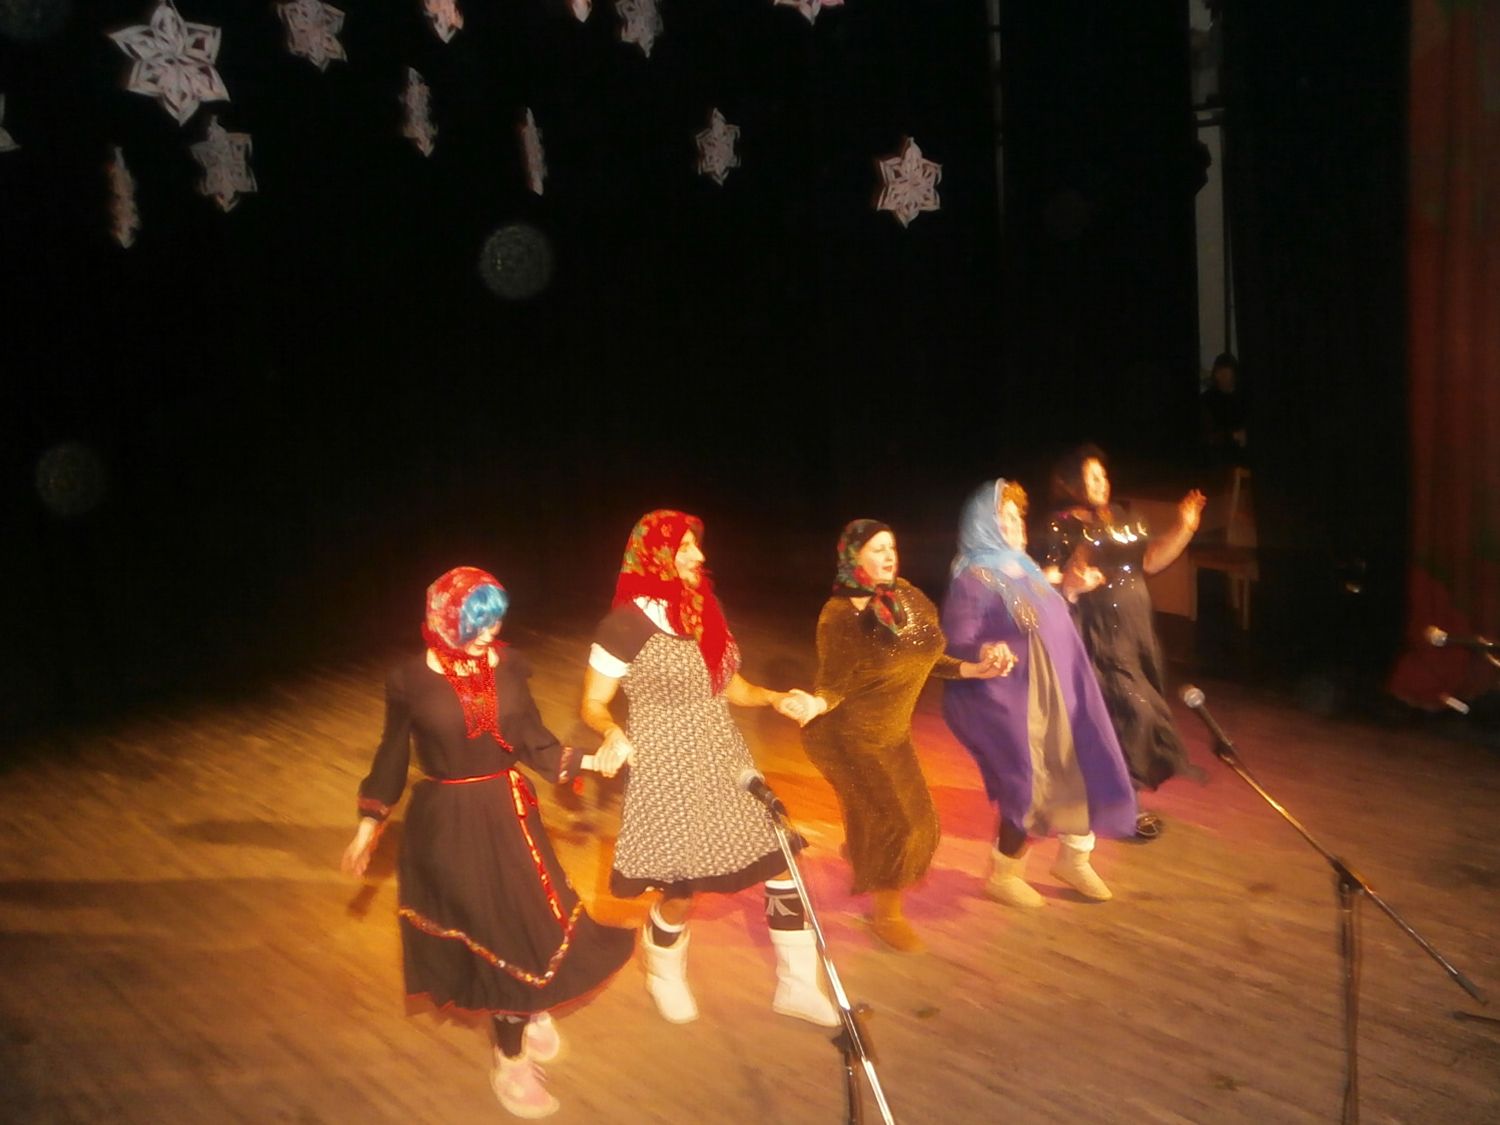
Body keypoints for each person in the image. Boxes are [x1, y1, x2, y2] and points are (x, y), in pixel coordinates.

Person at [342, 567, 634, 1120]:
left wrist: (595, 761)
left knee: (533, 922)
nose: (488, 632)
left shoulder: (509, 665)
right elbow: (392, 754)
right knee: (495, 935)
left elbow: (533, 739)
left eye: (495, 620)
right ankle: (510, 1058)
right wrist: (368, 824)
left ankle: (527, 1003)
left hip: (510, 813)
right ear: (445, 619)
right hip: (449, 825)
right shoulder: (408, 679)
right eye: (476, 622)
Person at [580, 510, 837, 1027]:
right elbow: (592, 702)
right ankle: (662, 968)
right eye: (684, 548)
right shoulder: (624, 625)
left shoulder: (703, 607)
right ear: (655, 555)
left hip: (723, 753)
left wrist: (774, 698)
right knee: (682, 887)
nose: (698, 555)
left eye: (697, 545)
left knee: (780, 861)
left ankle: (798, 983)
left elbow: (730, 686)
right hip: (664, 764)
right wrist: (611, 731)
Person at [782, 519, 1012, 953]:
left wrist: (973, 669)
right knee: (907, 823)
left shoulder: (907, 595)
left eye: (891, 547)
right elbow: (833, 682)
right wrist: (815, 704)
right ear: (853, 557)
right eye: (876, 549)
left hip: (891, 733)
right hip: (848, 736)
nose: (889, 556)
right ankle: (885, 914)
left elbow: (925, 657)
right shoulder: (840, 614)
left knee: (906, 821)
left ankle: (866, 853)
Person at [942, 480, 1137, 906]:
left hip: (1061, 689)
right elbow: (957, 641)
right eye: (1005, 518)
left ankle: (1074, 859)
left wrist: (1070, 591)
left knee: (1082, 764)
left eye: (1018, 517)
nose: (1017, 526)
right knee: (1029, 783)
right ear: (984, 524)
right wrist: (984, 649)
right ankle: (1004, 873)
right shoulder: (974, 578)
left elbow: (1043, 618)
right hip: (1016, 699)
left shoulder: (1024, 567)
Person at [1040, 446, 1208, 839]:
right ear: (1072, 483)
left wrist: (1184, 528)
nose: (1102, 483)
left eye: (1104, 475)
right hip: (1098, 631)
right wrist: (1072, 578)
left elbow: (1150, 562)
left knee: (1126, 714)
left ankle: (1101, 800)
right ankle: (1124, 809)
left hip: (1135, 631)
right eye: (1092, 477)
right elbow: (1048, 574)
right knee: (1135, 711)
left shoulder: (1122, 517)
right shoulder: (1061, 525)